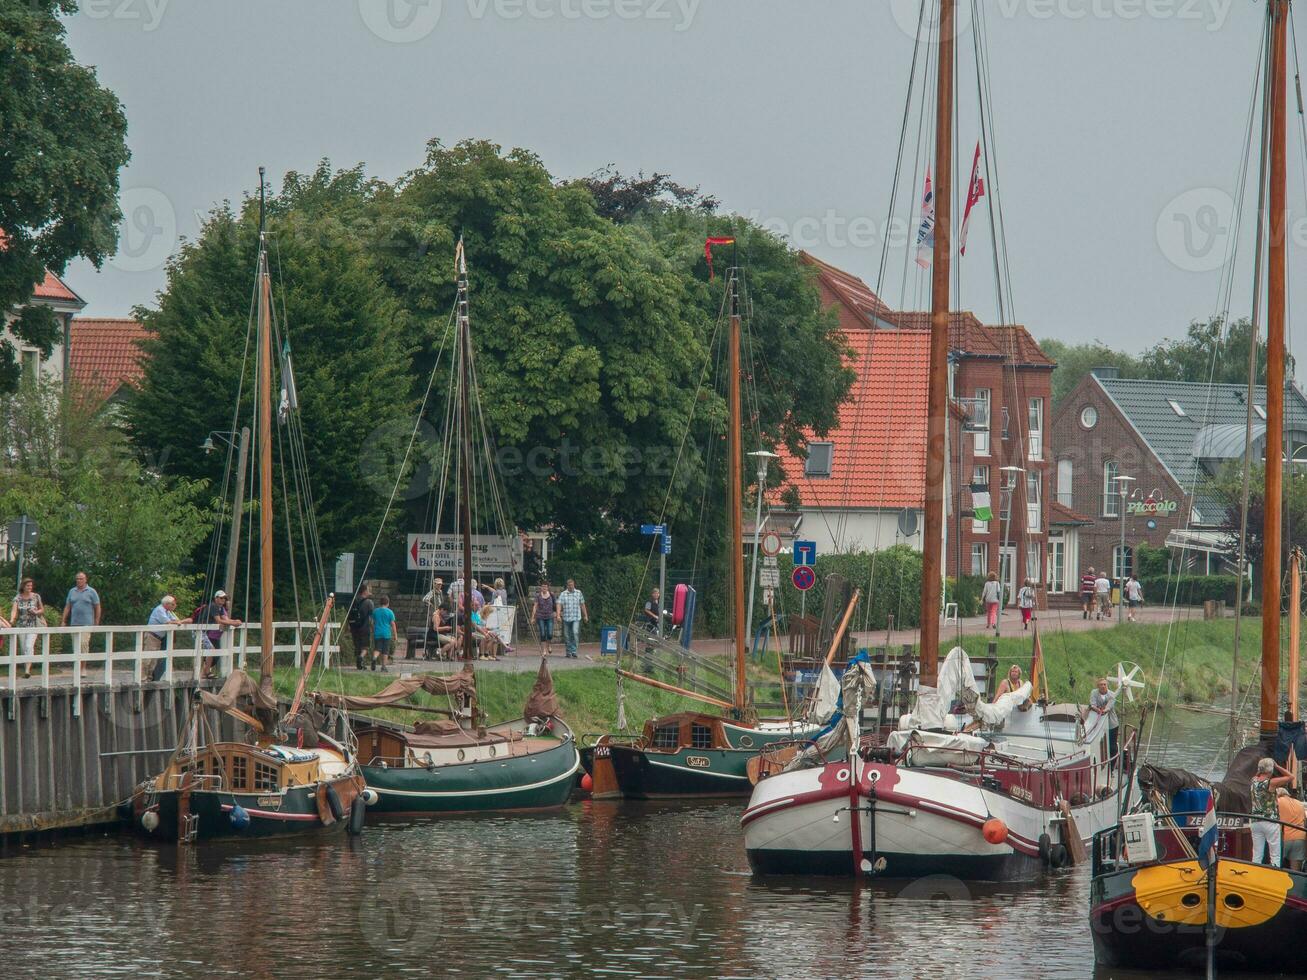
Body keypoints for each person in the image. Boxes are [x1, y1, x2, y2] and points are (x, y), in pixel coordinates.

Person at [1251, 758, 1295, 866]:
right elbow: (1291, 777)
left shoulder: (1253, 780)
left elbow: (1259, 774)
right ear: (1270, 770)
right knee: (1275, 854)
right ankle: (1275, 872)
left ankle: (1254, 873)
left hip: (1255, 821)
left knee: (1257, 853)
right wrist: (1277, 766)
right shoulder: (1271, 783)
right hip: (1269, 820)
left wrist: (1262, 768)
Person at [144, 595, 191, 681]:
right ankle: (142, 679)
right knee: (148, 659)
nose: (175, 606)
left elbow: (177, 620)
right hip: (152, 636)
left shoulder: (168, 611)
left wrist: (180, 621)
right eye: (173, 604)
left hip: (158, 638)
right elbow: (168, 622)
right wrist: (181, 621)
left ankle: (149, 679)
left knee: (154, 660)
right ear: (167, 604)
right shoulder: (160, 610)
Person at [9, 578, 44, 680]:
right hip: (21, 626)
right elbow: (14, 610)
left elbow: (42, 609)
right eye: (28, 585)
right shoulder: (18, 598)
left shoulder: (36, 597)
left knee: (29, 646)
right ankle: (26, 668)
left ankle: (27, 670)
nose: (29, 587)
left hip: (33, 625)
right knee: (23, 648)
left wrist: (36, 612)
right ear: (23, 586)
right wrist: (12, 620)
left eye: (31, 586)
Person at [61, 571, 101, 657]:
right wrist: (63, 620)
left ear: (85, 580)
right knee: (76, 647)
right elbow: (68, 607)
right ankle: (77, 668)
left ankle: (83, 669)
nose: (79, 580)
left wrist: (96, 621)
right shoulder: (72, 591)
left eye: (81, 579)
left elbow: (97, 606)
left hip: (87, 623)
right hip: (74, 623)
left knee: (83, 645)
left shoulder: (91, 591)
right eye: (77, 579)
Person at [1089, 677, 1119, 761]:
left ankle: (1112, 764)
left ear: (1107, 685)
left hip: (1111, 723)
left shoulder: (1112, 694)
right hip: (1098, 723)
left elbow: (1109, 707)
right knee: (1100, 744)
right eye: (1101, 685)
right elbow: (1092, 704)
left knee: (1112, 746)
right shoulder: (1094, 693)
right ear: (1098, 686)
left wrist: (1103, 710)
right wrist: (1097, 710)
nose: (1103, 686)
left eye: (1104, 684)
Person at [557, 578, 588, 659]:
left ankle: (574, 651)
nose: (571, 586)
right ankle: (568, 652)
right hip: (566, 618)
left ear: (574, 585)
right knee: (567, 636)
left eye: (572, 585)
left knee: (575, 632)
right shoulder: (563, 594)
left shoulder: (579, 593)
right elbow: (559, 604)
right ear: (567, 586)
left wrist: (585, 615)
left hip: (576, 617)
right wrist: (558, 615)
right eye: (569, 585)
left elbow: (582, 604)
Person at [1277, 787, 1307, 871]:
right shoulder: (1299, 803)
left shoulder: (1278, 801)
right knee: (1296, 870)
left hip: (1285, 838)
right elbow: (1305, 822)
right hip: (1300, 838)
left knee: (1278, 866)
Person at [348, 584, 375, 671]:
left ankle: (358, 664)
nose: (369, 591)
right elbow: (371, 616)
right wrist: (373, 627)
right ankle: (361, 657)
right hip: (364, 627)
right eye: (368, 590)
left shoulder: (354, 600)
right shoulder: (369, 602)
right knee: (365, 647)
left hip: (354, 627)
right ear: (364, 591)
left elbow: (349, 614)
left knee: (357, 645)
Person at [371, 595, 396, 672]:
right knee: (385, 650)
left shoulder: (375, 611)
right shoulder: (390, 612)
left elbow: (372, 622)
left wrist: (373, 629)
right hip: (386, 633)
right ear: (388, 603)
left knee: (377, 648)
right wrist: (395, 634)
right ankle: (383, 667)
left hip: (377, 632)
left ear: (380, 603)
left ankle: (374, 658)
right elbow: (393, 624)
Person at [533, 582, 557, 657]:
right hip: (540, 617)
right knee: (542, 634)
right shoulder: (538, 596)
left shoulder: (552, 595)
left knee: (549, 633)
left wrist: (556, 613)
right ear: (541, 587)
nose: (544, 588)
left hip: (549, 616)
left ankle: (549, 645)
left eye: (545, 587)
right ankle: (544, 650)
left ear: (548, 588)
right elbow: (535, 606)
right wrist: (533, 617)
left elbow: (555, 605)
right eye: (542, 587)